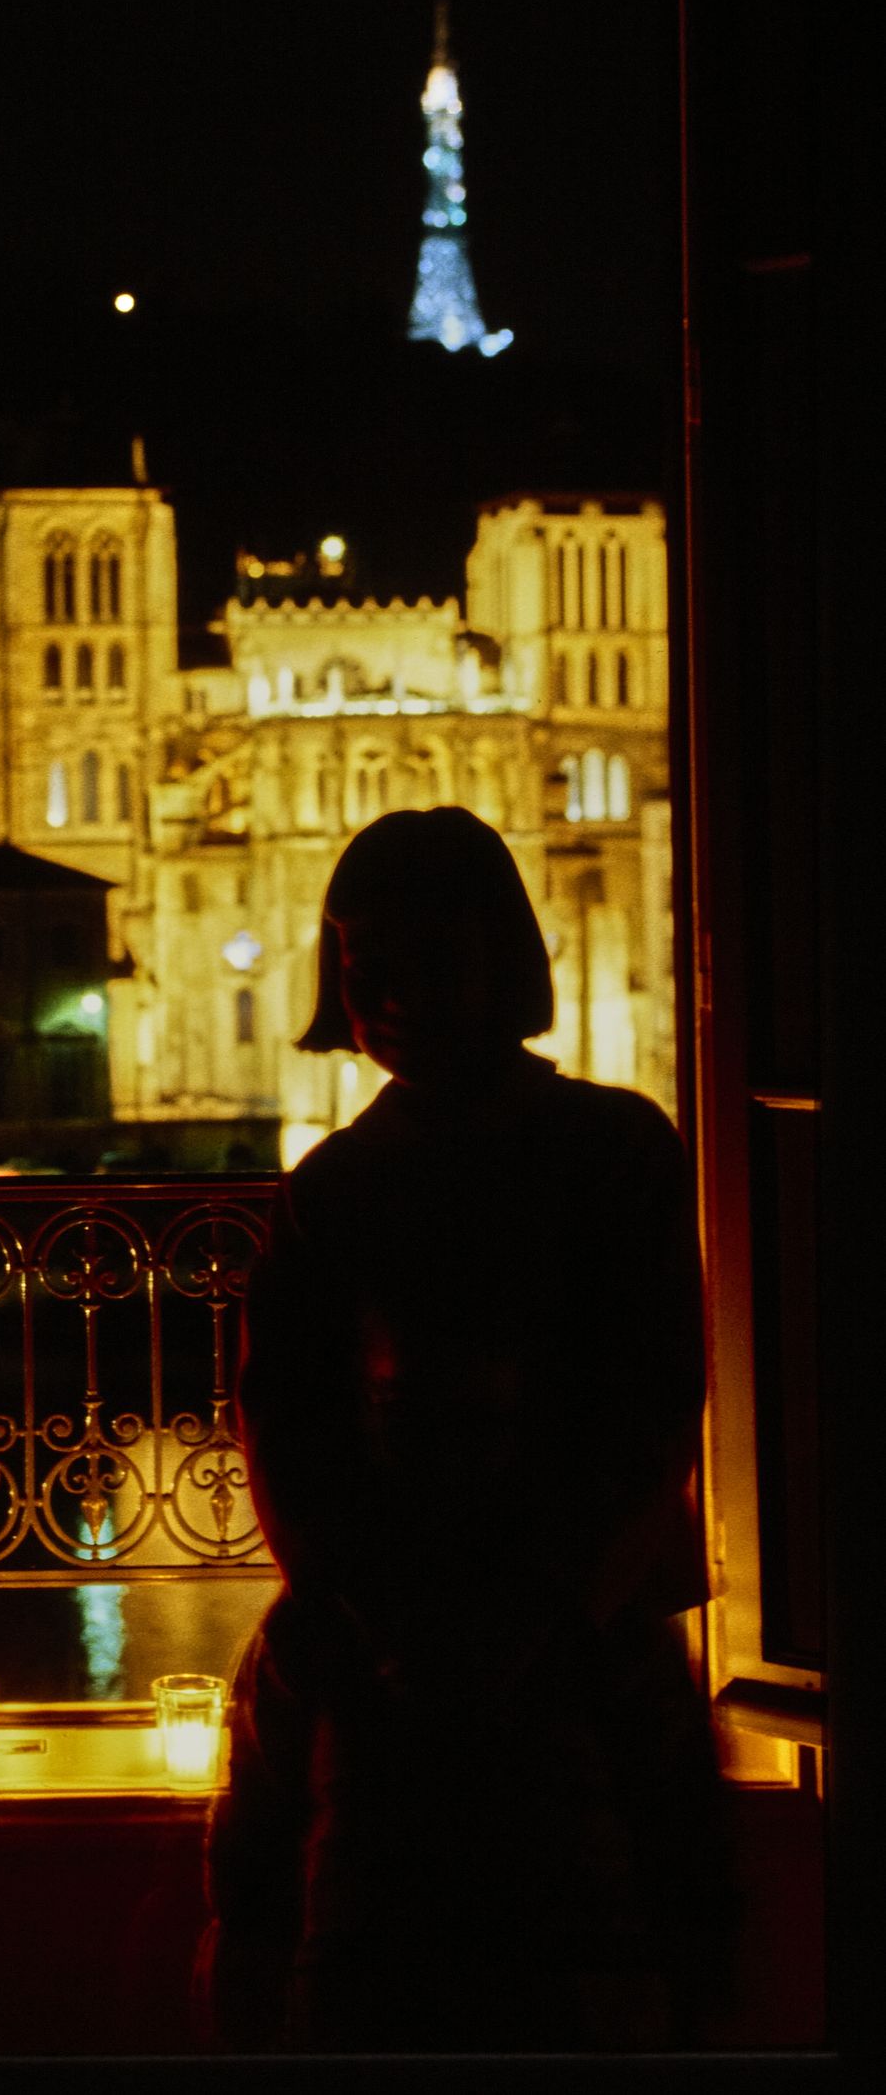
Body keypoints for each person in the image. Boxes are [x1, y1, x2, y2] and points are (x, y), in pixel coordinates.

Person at [195, 807, 738, 2053]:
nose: (388, 998)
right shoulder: (337, 1185)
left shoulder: (607, 1151)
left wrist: (523, 1608)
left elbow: (646, 1398)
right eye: (360, 968)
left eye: (422, 963)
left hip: (535, 1624)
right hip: (426, 1627)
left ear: (502, 961)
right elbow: (284, 1424)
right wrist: (395, 1612)